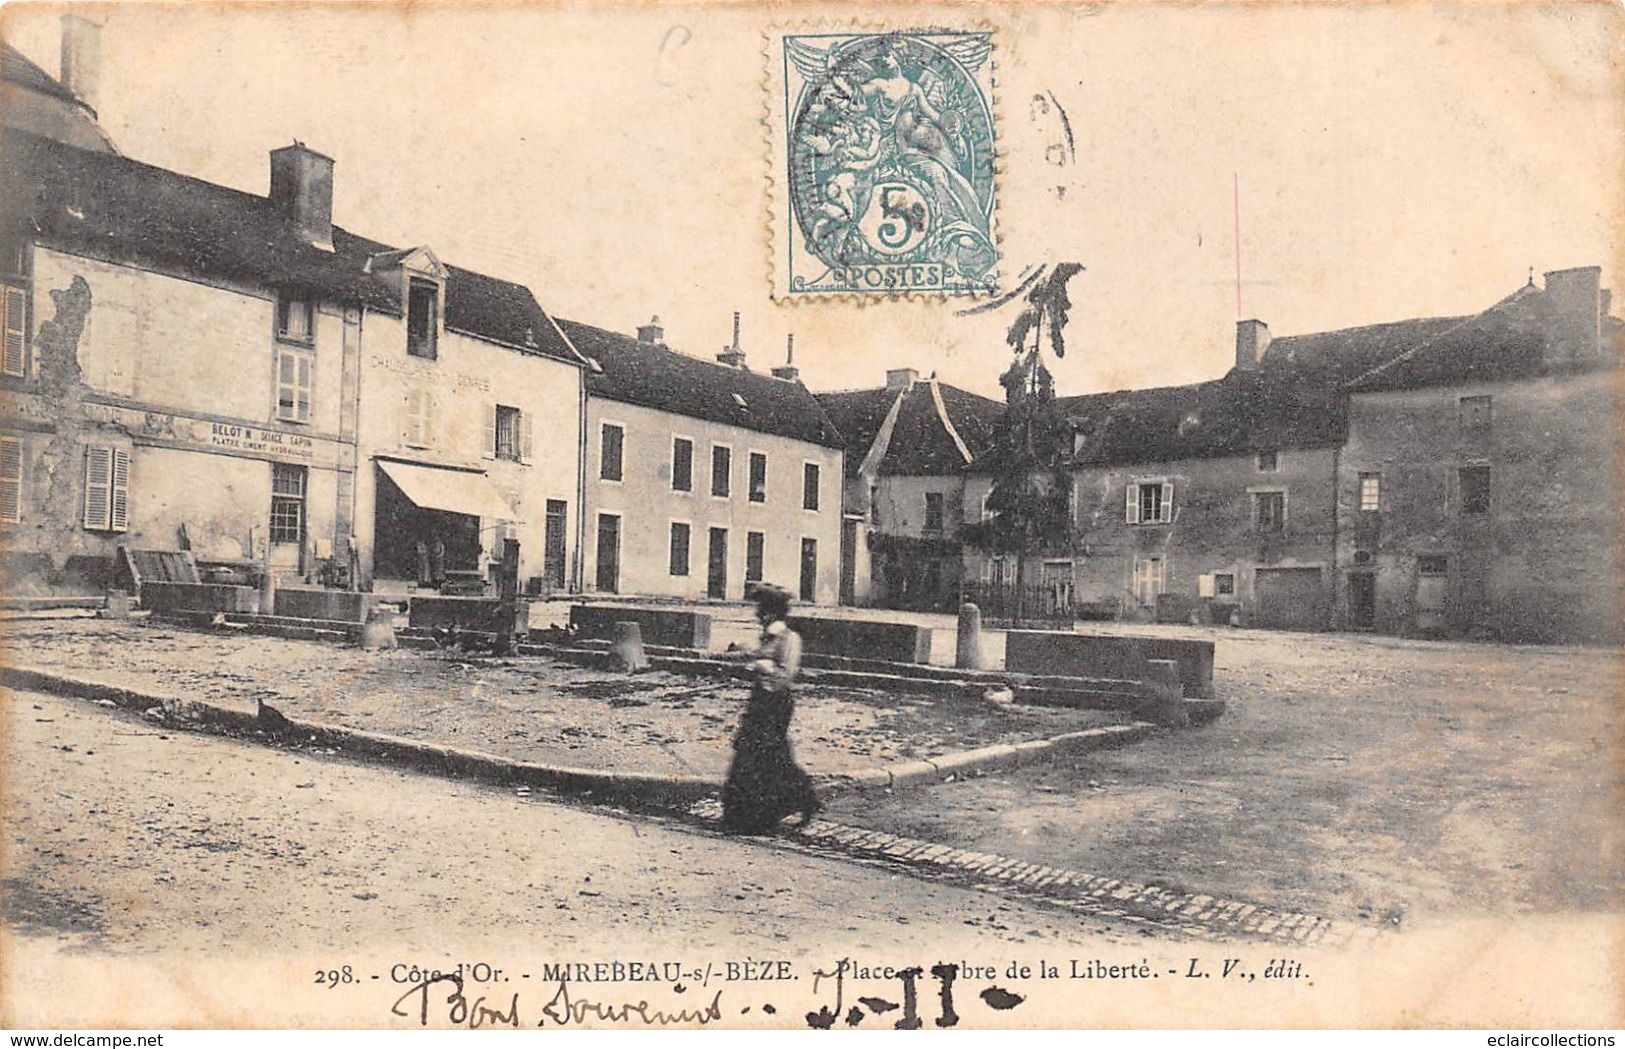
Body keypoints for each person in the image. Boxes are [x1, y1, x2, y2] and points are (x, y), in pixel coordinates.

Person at [721, 585, 822, 834]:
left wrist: (764, 667)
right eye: (760, 611)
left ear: (775, 613)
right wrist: (744, 655)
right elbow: (759, 657)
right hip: (760, 700)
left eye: (764, 611)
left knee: (767, 755)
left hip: (777, 703)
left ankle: (788, 804)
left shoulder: (790, 639)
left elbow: (785, 676)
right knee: (754, 754)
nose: (759, 616)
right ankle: (743, 816)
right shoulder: (767, 636)